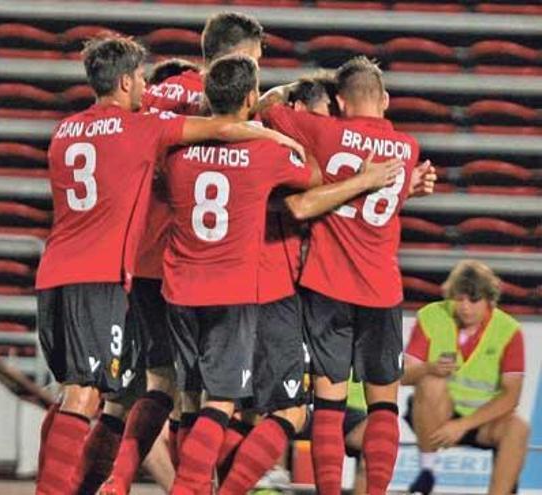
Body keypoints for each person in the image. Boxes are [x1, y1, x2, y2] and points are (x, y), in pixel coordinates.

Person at [33, 36, 304, 495]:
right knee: (97, 393)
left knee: (79, 395)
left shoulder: (65, 129)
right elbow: (220, 128)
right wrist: (271, 132)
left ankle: (87, 484)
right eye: (137, 77)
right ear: (123, 81)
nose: (142, 84)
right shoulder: (141, 127)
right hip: (106, 278)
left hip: (54, 272)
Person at [159, 55, 403, 495]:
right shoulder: (274, 153)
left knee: (205, 405)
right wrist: (367, 179)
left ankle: (198, 486)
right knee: (285, 411)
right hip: (267, 292)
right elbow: (304, 199)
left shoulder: (183, 152)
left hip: (192, 287)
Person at [95, 13, 268, 495]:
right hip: (201, 265)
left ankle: (121, 481)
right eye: (255, 56)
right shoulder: (235, 103)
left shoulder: (156, 94)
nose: (259, 65)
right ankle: (189, 486)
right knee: (207, 393)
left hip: (144, 260)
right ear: (239, 56)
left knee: (165, 386)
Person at [257, 56, 426, 495]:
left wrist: (291, 89)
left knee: (328, 407)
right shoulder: (408, 149)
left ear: (338, 100)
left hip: (327, 286)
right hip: (382, 289)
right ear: (385, 99)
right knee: (384, 406)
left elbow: (267, 107)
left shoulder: (325, 132)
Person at [402, 260, 528, 495]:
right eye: (459, 299)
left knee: (519, 428)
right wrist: (429, 367)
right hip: (435, 414)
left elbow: (512, 396)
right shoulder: (431, 316)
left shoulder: (508, 330)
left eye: (473, 300)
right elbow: (403, 375)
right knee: (431, 381)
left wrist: (462, 425)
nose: (465, 307)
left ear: (489, 300)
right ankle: (426, 473)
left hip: (482, 421)